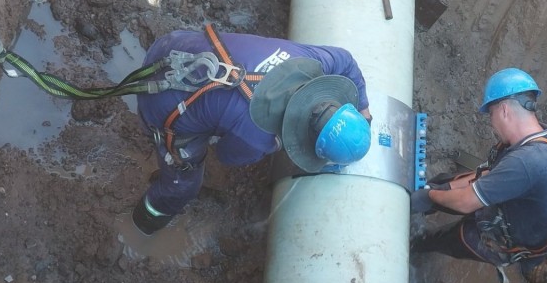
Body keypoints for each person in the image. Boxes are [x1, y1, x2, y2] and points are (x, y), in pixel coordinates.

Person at [131, 24, 373, 235]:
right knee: (183, 185)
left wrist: (363, 108)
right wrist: (274, 142)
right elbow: (226, 155)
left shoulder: (313, 60)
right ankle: (145, 223)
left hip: (174, 44)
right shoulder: (259, 137)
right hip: (157, 100)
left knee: (220, 108)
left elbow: (347, 61)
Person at [410, 68, 547, 283]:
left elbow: (467, 202)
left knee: (448, 238)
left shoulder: (528, 161)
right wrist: (439, 190)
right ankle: (420, 207)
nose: (492, 122)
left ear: (504, 110)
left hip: (512, 237)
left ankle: (416, 245)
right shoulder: (536, 138)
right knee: (442, 182)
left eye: (492, 114)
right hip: (516, 206)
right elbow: (485, 175)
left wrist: (429, 197)